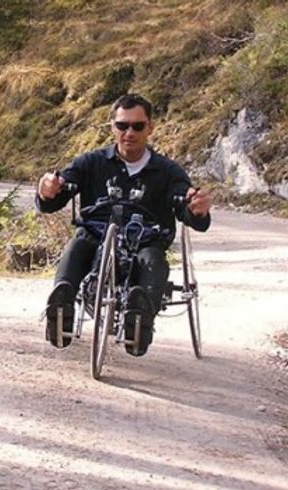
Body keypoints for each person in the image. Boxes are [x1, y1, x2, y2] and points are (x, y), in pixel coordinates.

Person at [36, 93, 212, 356]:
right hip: (96, 234)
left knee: (152, 259)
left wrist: (196, 209)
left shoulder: (167, 171)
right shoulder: (91, 163)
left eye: (138, 126)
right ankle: (61, 307)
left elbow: (186, 207)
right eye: (122, 126)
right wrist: (47, 191)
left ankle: (140, 320)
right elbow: (58, 193)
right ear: (112, 127)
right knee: (78, 245)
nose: (129, 132)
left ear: (150, 127)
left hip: (145, 240)